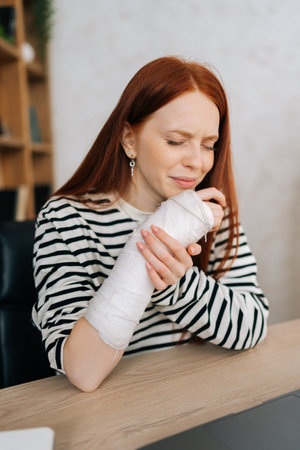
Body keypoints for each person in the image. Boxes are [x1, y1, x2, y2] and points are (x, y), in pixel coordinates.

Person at [32, 56, 269, 392]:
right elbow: (82, 372)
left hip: (202, 397)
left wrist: (177, 284)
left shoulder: (210, 214)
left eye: (208, 145)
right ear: (130, 139)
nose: (196, 161)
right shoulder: (67, 219)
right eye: (175, 141)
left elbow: (252, 327)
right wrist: (147, 259)